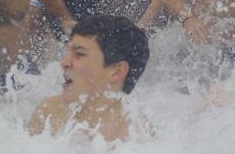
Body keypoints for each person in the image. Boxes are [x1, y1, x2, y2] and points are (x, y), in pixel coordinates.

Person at [28, 15, 149, 143]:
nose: (64, 62)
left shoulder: (135, 135)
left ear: (117, 71)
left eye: (79, 54)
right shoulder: (48, 112)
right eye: (68, 52)